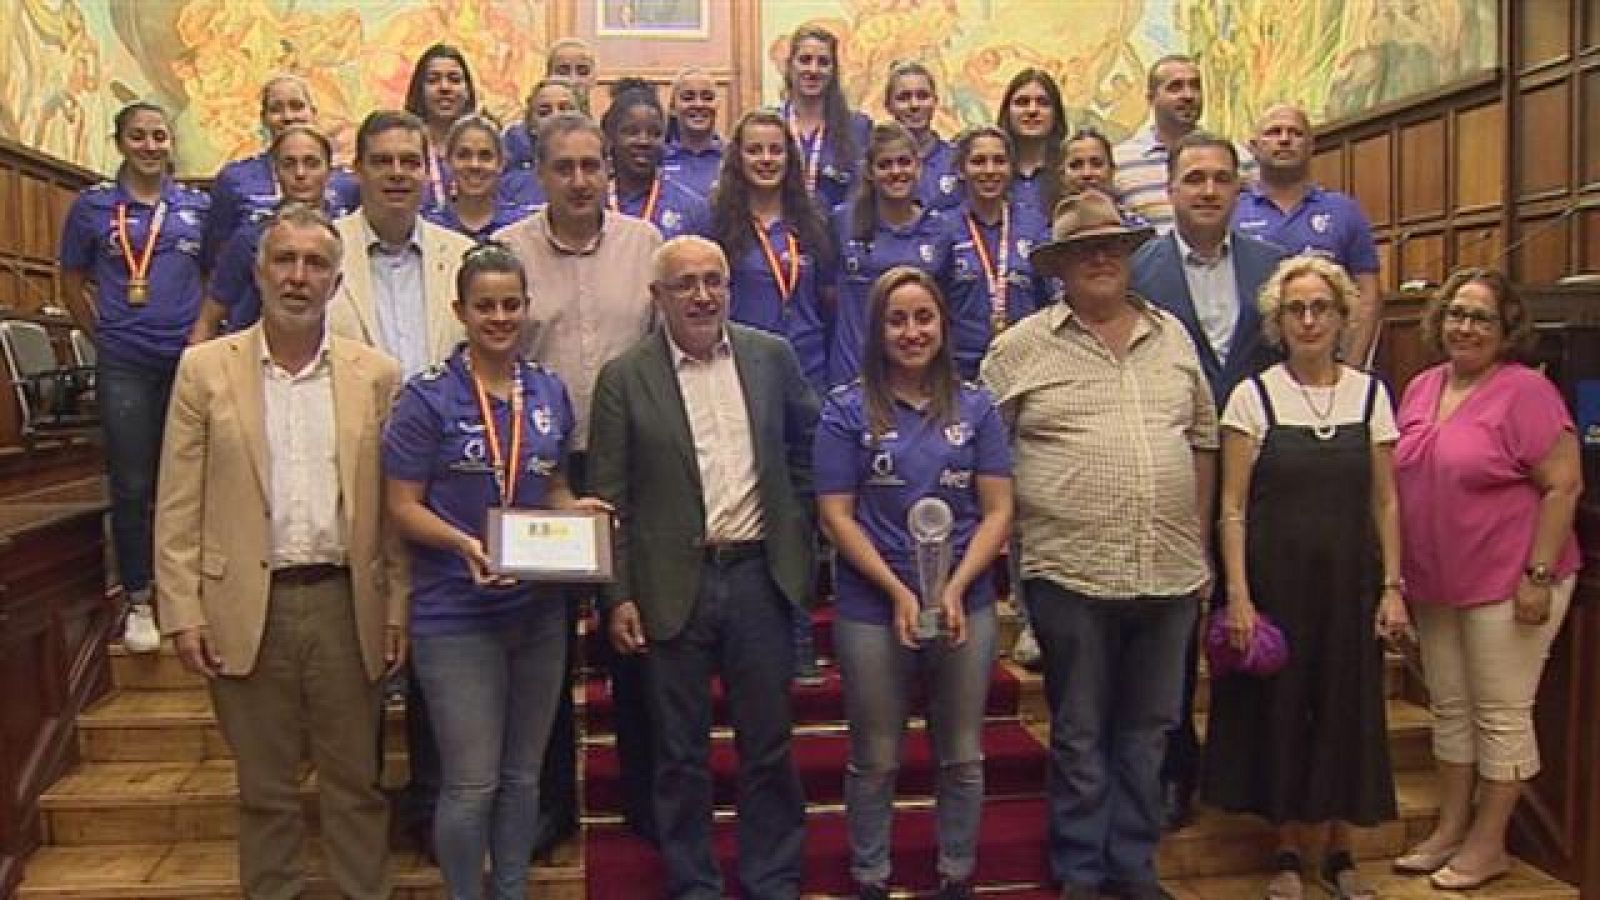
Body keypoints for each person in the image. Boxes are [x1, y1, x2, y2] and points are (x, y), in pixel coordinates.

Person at [153, 203, 405, 900]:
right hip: (241, 605)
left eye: (316, 263)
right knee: (265, 792)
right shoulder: (205, 369)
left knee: (357, 784)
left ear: (336, 277)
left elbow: (392, 510)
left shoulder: (376, 375)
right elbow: (177, 497)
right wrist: (181, 609)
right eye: (285, 261)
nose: (299, 276)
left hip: (345, 602)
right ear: (259, 271)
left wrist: (398, 610)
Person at [981, 190, 1217, 900]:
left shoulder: (1173, 336)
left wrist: (1198, 535)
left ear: (1130, 255)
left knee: (1149, 730)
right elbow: (977, 448)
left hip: (1169, 573)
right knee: (1081, 732)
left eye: (1112, 246)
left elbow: (1204, 439)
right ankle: (1082, 872)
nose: (1101, 258)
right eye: (1086, 249)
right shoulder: (1020, 347)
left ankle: (1132, 868)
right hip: (1069, 572)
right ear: (1060, 266)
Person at [590, 235, 818, 900]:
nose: (701, 294)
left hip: (756, 577)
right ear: (656, 296)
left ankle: (772, 879)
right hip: (668, 586)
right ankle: (693, 882)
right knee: (679, 754)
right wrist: (618, 595)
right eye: (684, 283)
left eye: (713, 280)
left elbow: (807, 452)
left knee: (769, 745)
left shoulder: (770, 358)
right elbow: (612, 497)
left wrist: (799, 540)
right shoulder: (624, 378)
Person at [383, 243, 605, 899]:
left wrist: (577, 512)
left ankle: (510, 888)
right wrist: (463, 546)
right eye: (486, 306)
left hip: (535, 614)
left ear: (527, 309)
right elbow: (400, 507)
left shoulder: (548, 390)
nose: (500, 316)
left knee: (523, 777)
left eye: (512, 304)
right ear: (461, 311)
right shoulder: (426, 399)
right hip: (454, 615)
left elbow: (553, 484)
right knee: (471, 781)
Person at [1202, 256, 1411, 900]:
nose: (1310, 318)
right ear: (1279, 320)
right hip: (1277, 588)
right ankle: (1289, 852)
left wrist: (1393, 588)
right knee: (1285, 714)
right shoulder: (1252, 397)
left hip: (1350, 587)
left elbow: (1386, 502)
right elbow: (1231, 507)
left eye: (1323, 306)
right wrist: (1237, 594)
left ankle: (1341, 852)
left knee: (1348, 711)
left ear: (1344, 316)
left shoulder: (1372, 395)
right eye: (1297, 308)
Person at [814, 266, 1014, 900]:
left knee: (961, 753)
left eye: (922, 317)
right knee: (875, 756)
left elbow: (1000, 510)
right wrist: (900, 592)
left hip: (965, 602)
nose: (911, 331)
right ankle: (871, 876)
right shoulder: (846, 408)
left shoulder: (977, 406)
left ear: (943, 325)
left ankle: (956, 875)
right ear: (877, 330)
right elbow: (834, 515)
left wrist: (953, 588)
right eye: (896, 319)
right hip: (874, 607)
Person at [495, 110, 663, 849]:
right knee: (546, 645)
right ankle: (548, 808)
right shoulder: (508, 251)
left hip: (632, 468)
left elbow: (665, 354)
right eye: (564, 167)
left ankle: (648, 804)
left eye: (591, 165)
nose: (580, 180)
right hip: (544, 470)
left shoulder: (645, 244)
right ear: (538, 173)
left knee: (636, 637)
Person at [1391, 268, 1582, 892]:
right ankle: (1449, 827)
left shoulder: (1526, 391)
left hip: (1511, 579)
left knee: (1501, 714)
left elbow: (1564, 484)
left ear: (1506, 331)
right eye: (1456, 314)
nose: (1465, 327)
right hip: (1437, 581)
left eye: (1481, 318)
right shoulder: (1421, 386)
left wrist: (1538, 573)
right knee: (1451, 709)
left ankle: (1488, 842)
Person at [1130, 130, 1289, 830]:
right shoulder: (1138, 269)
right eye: (1193, 178)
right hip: (1170, 474)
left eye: (1221, 178)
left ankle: (1248, 772)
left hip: (1264, 478)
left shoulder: (1276, 267)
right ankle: (1174, 772)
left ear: (1239, 188)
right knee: (1173, 638)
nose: (1207, 190)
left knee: (1253, 624)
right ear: (1169, 189)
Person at [58, 102, 210, 653]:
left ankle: (192, 592)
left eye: (159, 136)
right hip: (125, 362)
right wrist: (101, 337)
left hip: (189, 361)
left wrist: (201, 335)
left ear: (171, 143)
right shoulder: (93, 206)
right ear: (119, 141)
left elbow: (214, 277)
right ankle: (141, 597)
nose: (150, 145)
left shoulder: (196, 206)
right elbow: (72, 280)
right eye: (139, 136)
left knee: (193, 479)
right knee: (133, 482)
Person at [327, 110, 475, 379]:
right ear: (358, 170)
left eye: (409, 162)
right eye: (382, 161)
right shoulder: (324, 252)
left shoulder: (461, 256)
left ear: (427, 172)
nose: (397, 173)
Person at [1235, 103, 1382, 363]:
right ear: (1254, 147)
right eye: (1273, 132)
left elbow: (1367, 296)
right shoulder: (1233, 211)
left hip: (1327, 362)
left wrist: (1352, 366)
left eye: (1295, 133)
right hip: (1250, 363)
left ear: (1312, 145)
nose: (1284, 139)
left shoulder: (1344, 210)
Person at [712, 108, 834, 397]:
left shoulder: (815, 220)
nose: (766, 159)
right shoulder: (716, 223)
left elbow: (828, 301)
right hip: (744, 371)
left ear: (789, 158)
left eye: (775, 150)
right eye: (754, 150)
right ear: (738, 159)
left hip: (808, 369)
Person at [830, 121, 959, 387]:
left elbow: (946, 309)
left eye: (904, 162)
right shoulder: (843, 222)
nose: (896, 172)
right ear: (869, 172)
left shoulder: (941, 230)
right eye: (885, 165)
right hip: (854, 375)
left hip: (918, 377)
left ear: (918, 167)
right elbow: (826, 294)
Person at [191, 125, 349, 341]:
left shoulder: (348, 231)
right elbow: (210, 317)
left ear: (329, 170)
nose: (300, 174)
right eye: (289, 164)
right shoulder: (251, 237)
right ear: (276, 173)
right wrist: (192, 371)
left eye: (311, 163)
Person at [202, 74, 355, 268]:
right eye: (276, 109)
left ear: (313, 113)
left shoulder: (348, 184)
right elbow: (214, 259)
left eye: (297, 106)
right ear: (263, 118)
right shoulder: (233, 179)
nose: (288, 117)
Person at [1113, 55, 1252, 233]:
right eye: (1175, 87)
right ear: (1151, 98)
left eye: (1195, 86)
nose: (1188, 95)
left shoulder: (1239, 159)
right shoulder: (1121, 162)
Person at [945, 125, 1052, 352]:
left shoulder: (1035, 225)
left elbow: (1050, 300)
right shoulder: (943, 228)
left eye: (999, 161)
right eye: (979, 161)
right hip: (960, 368)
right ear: (961, 170)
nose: (990, 170)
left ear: (1011, 168)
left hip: (1025, 362)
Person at [602, 78, 713, 241]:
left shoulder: (692, 208)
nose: (643, 141)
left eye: (655, 133)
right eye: (631, 132)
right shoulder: (593, 201)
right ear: (610, 137)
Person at [781, 25, 872, 210]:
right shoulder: (772, 124)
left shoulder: (858, 128)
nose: (813, 70)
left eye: (823, 62)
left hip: (839, 234)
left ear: (834, 70)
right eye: (805, 60)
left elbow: (865, 193)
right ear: (790, 65)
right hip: (780, 235)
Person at [421, 115, 537, 241]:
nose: (474, 165)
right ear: (448, 162)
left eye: (485, 156)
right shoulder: (429, 227)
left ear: (501, 164)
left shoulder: (523, 225)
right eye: (463, 155)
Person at [402, 43, 479, 211]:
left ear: (468, 90)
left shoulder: (485, 150)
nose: (444, 87)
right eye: (433, 80)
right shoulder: (406, 147)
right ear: (419, 90)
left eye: (454, 79)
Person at [884, 61, 961, 211]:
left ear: (935, 101)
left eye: (923, 96)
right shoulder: (876, 165)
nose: (914, 105)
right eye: (904, 97)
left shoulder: (957, 161)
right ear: (888, 105)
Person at [995, 68, 1068, 223]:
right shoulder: (990, 173)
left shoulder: (1070, 173)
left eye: (1043, 103)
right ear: (1007, 112)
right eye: (1022, 102)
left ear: (1056, 114)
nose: (1032, 110)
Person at [500, 77, 581, 206]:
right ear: (531, 126)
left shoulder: (598, 170)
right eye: (544, 112)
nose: (556, 116)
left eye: (565, 109)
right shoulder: (509, 181)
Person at [662, 65, 724, 199]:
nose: (699, 104)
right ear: (672, 108)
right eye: (688, 98)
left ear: (718, 104)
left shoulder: (733, 157)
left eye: (707, 98)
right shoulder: (658, 158)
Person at [1063, 128, 1146, 226]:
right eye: (1076, 165)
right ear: (1062, 175)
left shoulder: (1138, 228)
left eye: (1097, 164)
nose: (1087, 173)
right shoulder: (1049, 237)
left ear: (1112, 170)